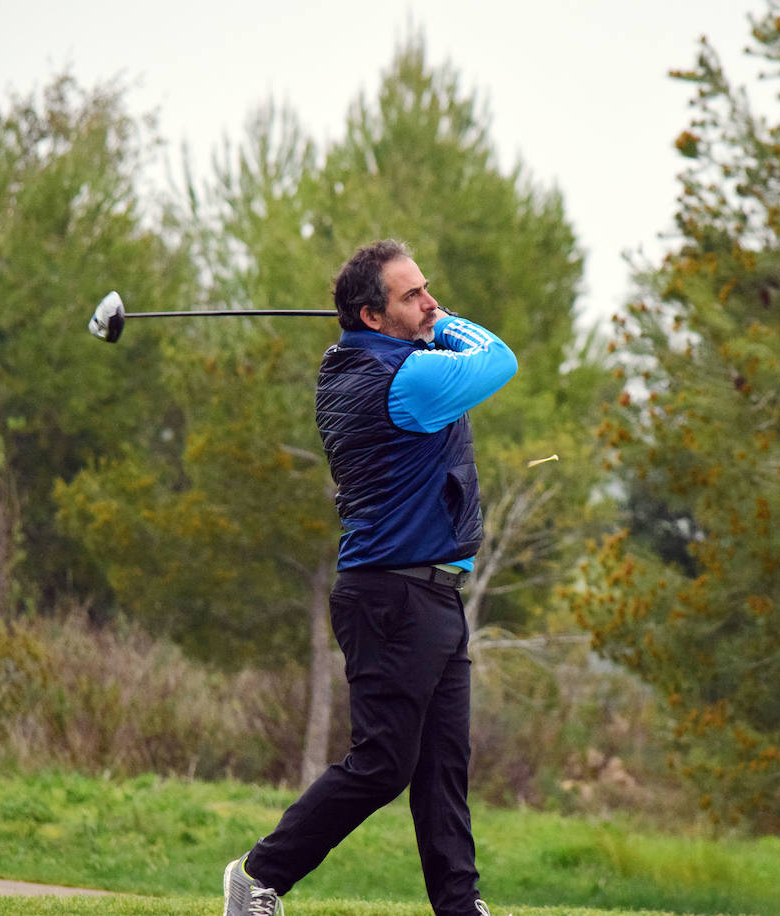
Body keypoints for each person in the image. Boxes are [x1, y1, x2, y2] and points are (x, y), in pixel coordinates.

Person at [222, 239, 517, 916]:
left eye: (428, 289)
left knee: (442, 766)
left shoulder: (370, 364)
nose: (430, 302)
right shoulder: (402, 381)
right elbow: (499, 359)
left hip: (431, 594)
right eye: (412, 295)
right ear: (372, 316)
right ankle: (258, 876)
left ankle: (459, 906)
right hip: (393, 596)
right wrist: (446, 325)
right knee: (385, 762)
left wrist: (426, 322)